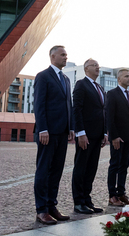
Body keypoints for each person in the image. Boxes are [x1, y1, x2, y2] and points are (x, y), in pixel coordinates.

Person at [33, 45, 75, 225]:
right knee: (43, 170)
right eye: (62, 55)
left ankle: (52, 206)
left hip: (62, 132)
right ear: (52, 57)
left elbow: (68, 105)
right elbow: (39, 104)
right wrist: (43, 129)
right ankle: (41, 210)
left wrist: (71, 127)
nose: (66, 57)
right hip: (47, 133)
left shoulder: (66, 79)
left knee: (56, 171)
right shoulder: (43, 76)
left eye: (66, 55)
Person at [71, 58, 108, 214]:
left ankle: (87, 200)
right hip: (85, 135)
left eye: (98, 65)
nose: (97, 68)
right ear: (86, 69)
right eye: (94, 65)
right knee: (81, 167)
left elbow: (104, 111)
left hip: (98, 135)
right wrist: (80, 133)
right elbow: (77, 109)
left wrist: (105, 132)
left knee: (91, 168)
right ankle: (78, 202)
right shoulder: (81, 84)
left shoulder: (100, 87)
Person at [105, 67, 129, 207]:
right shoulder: (112, 94)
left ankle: (121, 193)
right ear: (119, 79)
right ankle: (112, 196)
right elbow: (109, 117)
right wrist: (114, 136)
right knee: (115, 165)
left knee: (124, 166)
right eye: (126, 76)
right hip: (118, 138)